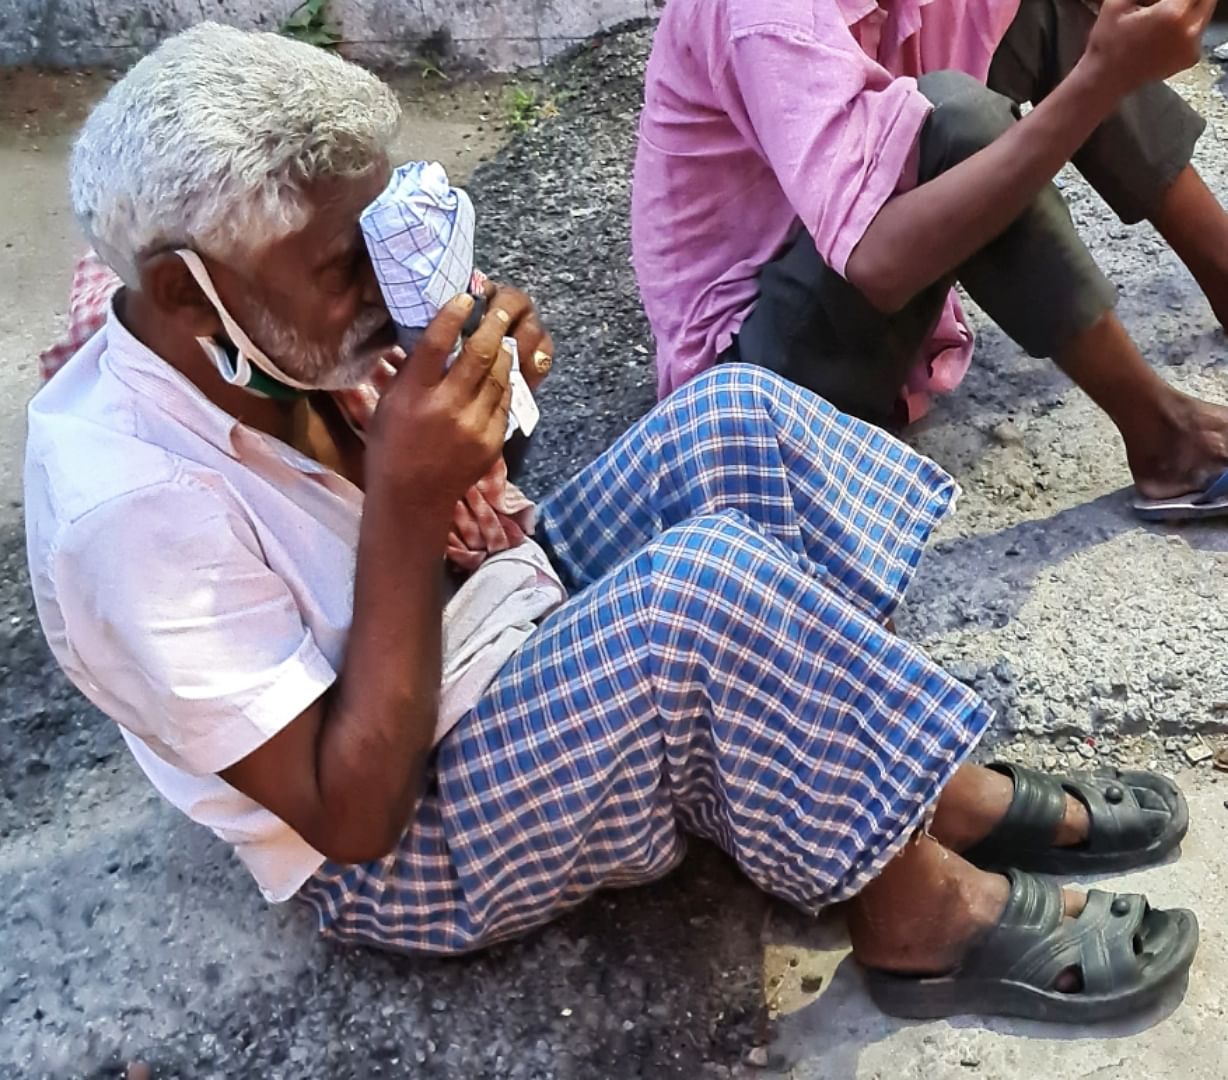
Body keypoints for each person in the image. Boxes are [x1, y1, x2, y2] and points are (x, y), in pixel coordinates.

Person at [26, 23, 1198, 1023]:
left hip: (468, 628)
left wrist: (489, 418)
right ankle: (915, 914)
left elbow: (467, 511)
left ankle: (866, 788)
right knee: (697, 595)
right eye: (346, 265)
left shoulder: (261, 323)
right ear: (184, 290)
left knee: (742, 417)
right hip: (401, 837)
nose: (385, 288)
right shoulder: (124, 509)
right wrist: (409, 498)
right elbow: (353, 816)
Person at [632, 0, 1228, 521]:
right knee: (960, 122)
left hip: (837, 290)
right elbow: (875, 262)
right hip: (750, 388)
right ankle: (1167, 443)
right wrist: (1101, 77)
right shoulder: (767, 15)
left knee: (1042, 12)